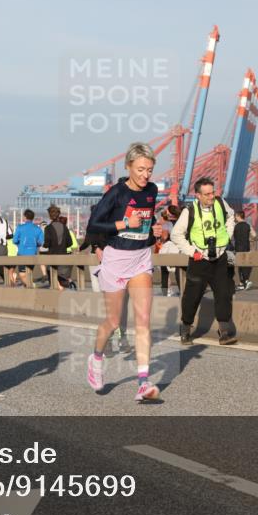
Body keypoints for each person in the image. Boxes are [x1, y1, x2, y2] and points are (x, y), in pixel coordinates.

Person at [86, 142, 161, 402]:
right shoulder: (116, 193)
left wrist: (154, 232)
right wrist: (124, 222)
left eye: (149, 170)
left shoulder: (152, 191)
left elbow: (145, 226)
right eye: (140, 169)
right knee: (114, 322)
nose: (145, 175)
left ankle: (143, 381)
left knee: (143, 319)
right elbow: (94, 224)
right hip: (116, 258)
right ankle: (96, 358)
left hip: (141, 258)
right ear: (129, 166)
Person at [171, 177, 237, 345]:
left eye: (212, 192)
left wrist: (227, 236)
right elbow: (176, 234)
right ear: (198, 195)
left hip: (220, 258)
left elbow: (231, 217)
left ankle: (224, 332)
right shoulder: (189, 211)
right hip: (200, 260)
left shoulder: (221, 204)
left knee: (224, 294)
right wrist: (192, 252)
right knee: (192, 297)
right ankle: (185, 329)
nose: (211, 196)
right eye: (207, 194)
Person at [43, 205, 73, 290]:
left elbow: (47, 243)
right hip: (63, 256)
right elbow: (70, 242)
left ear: (49, 215)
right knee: (62, 280)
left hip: (52, 257)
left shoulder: (48, 228)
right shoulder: (64, 227)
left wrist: (45, 245)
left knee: (52, 277)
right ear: (58, 214)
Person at [12, 209, 43, 288]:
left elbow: (14, 240)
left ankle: (31, 286)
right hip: (33, 253)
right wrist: (34, 245)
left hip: (22, 253)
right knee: (29, 273)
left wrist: (20, 242)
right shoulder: (38, 229)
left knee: (22, 274)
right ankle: (28, 291)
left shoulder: (20, 227)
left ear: (25, 217)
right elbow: (41, 242)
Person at [232, 209, 255, 291]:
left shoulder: (235, 226)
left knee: (240, 265)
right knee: (246, 264)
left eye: (235, 216)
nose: (235, 218)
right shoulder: (248, 225)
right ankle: (243, 283)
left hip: (238, 248)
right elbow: (254, 235)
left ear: (238, 216)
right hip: (246, 248)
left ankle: (244, 282)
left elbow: (230, 235)